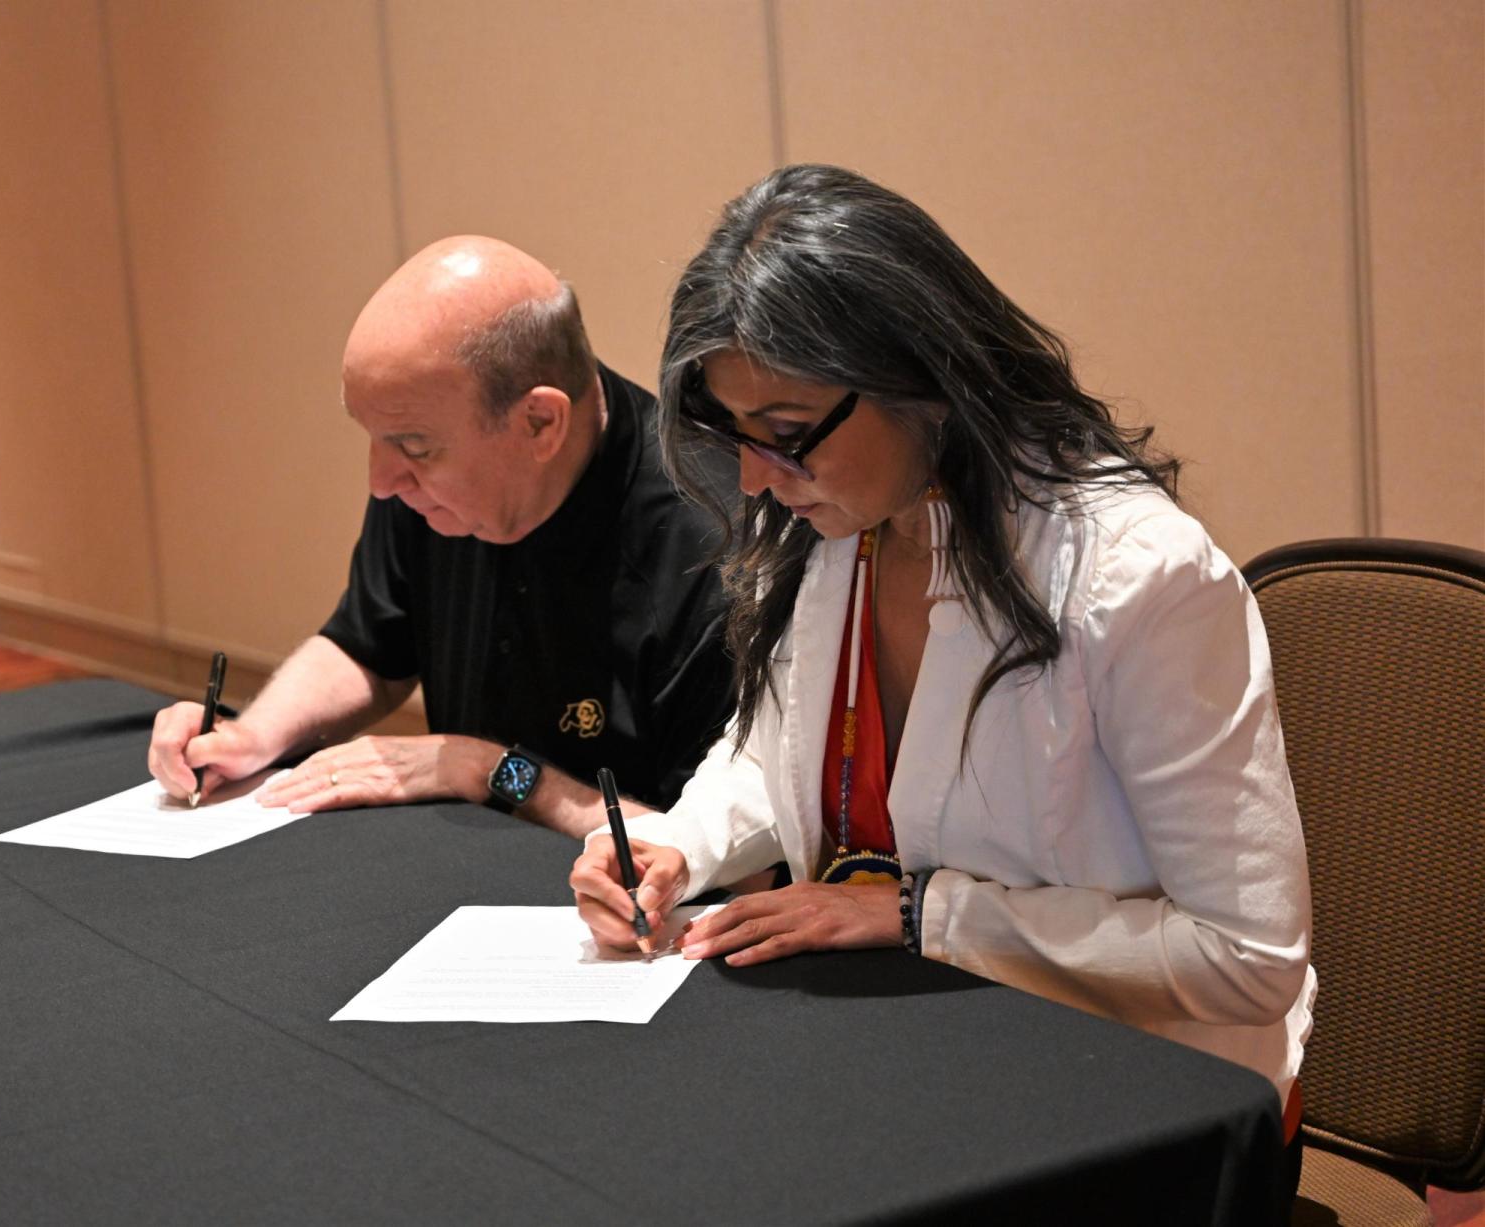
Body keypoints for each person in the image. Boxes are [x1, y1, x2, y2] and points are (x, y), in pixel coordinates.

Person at [571, 165, 1315, 1190]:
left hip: (1148, 1114)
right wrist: (673, 849)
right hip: (929, 1064)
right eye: (736, 436)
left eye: (786, 437)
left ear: (922, 381)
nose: (752, 478)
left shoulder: (1139, 579)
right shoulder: (838, 527)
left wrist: (924, 915)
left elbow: (1249, 957)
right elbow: (776, 746)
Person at [149, 237, 733, 835]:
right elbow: (369, 645)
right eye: (374, 438)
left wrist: (486, 771)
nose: (381, 481)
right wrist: (252, 735)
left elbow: (716, 854)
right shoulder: (426, 475)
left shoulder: (707, 549)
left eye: (413, 447)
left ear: (540, 422)